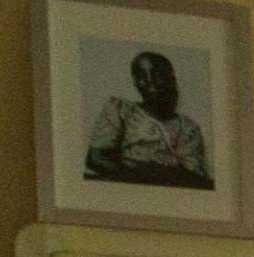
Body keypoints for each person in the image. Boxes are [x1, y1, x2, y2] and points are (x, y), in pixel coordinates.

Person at [83, 48, 211, 188]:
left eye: (157, 74)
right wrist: (143, 175)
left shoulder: (188, 128)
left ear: (171, 78)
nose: (150, 80)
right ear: (135, 82)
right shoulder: (120, 110)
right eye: (141, 76)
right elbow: (95, 158)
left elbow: (194, 177)